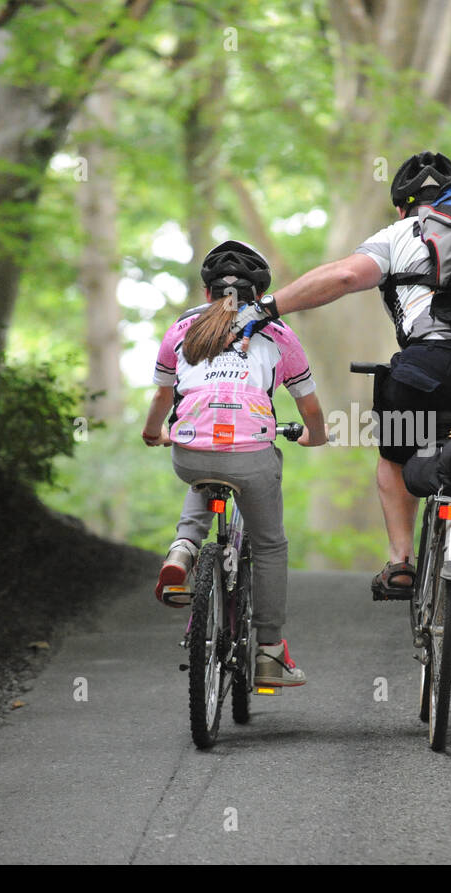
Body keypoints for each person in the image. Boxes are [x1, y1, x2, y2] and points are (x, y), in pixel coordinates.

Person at [253, 151, 451, 701]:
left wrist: (270, 307)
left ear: (404, 203)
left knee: (395, 456)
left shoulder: (404, 232)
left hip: (427, 374)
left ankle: (400, 561)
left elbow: (347, 276)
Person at [141, 240, 328, 687]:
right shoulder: (279, 334)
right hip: (249, 457)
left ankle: (184, 548)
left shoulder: (183, 327)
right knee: (268, 546)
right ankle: (269, 653)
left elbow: (163, 396)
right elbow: (312, 411)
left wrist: (153, 432)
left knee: (205, 465)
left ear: (207, 293)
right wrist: (315, 437)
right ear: (262, 294)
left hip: (188, 453)